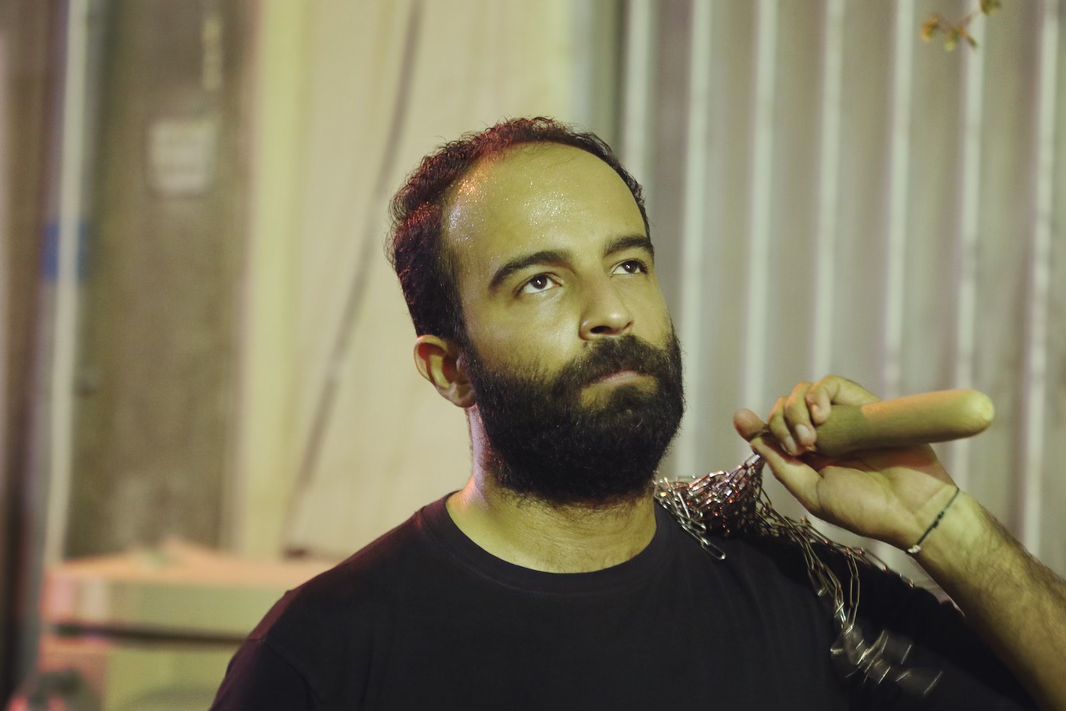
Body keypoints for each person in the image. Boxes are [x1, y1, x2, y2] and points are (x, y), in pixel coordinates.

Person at [211, 118, 1063, 710]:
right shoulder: (327, 652)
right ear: (449, 368)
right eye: (540, 281)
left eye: (628, 264)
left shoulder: (803, 596)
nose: (611, 312)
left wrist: (940, 520)